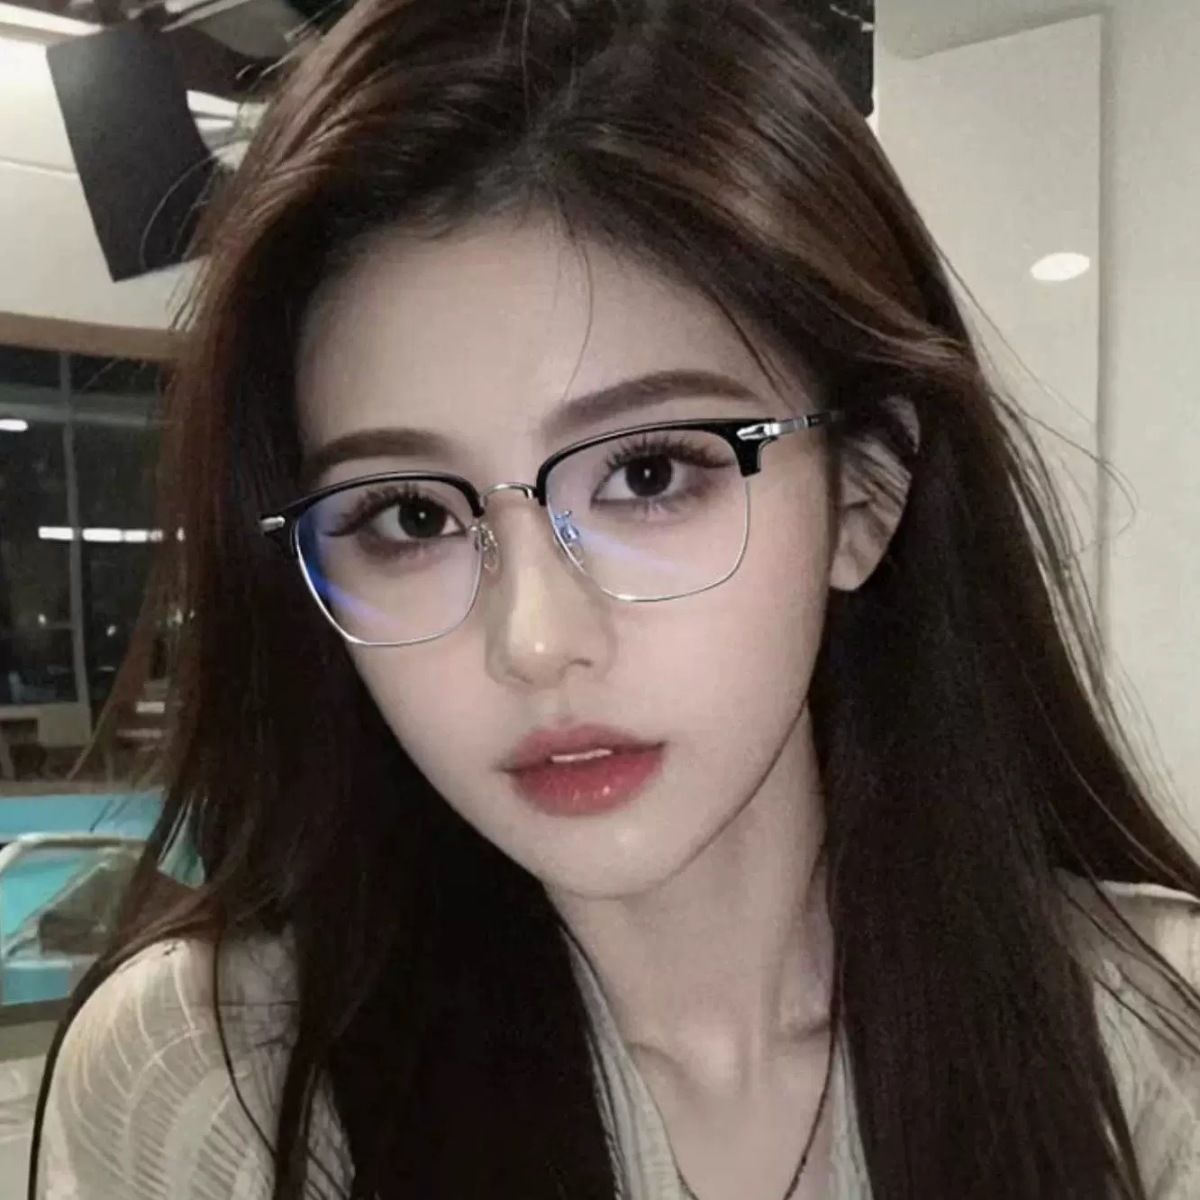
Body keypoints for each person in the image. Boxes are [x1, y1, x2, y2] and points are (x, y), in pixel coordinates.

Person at [27, 1, 1200, 1198]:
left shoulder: (1157, 1046)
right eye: (413, 518)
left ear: (864, 493)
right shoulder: (211, 1086)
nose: (536, 641)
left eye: (647, 475)